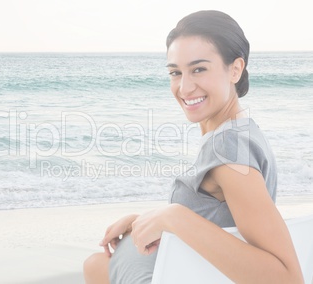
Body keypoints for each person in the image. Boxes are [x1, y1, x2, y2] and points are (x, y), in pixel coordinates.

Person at [83, 10, 303, 284]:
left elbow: (286, 278)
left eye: (199, 69)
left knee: (94, 266)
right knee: (96, 264)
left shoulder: (228, 148)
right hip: (188, 267)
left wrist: (174, 217)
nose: (184, 88)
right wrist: (148, 221)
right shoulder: (241, 131)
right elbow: (222, 222)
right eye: (176, 72)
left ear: (235, 69)